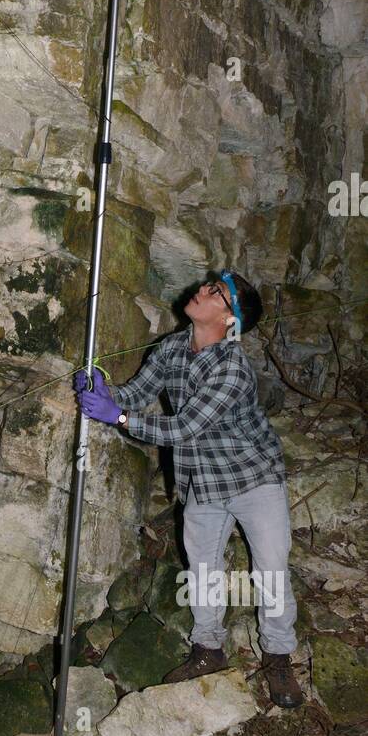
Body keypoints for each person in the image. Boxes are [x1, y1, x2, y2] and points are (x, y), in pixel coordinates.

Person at [75, 270, 303, 708]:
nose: (201, 289)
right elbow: (137, 392)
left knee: (271, 570)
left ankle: (277, 657)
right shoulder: (173, 347)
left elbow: (183, 428)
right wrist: (104, 390)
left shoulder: (232, 367)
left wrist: (117, 418)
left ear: (230, 318)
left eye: (215, 291)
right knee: (202, 571)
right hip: (204, 480)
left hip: (255, 479)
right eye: (208, 283)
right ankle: (207, 650)